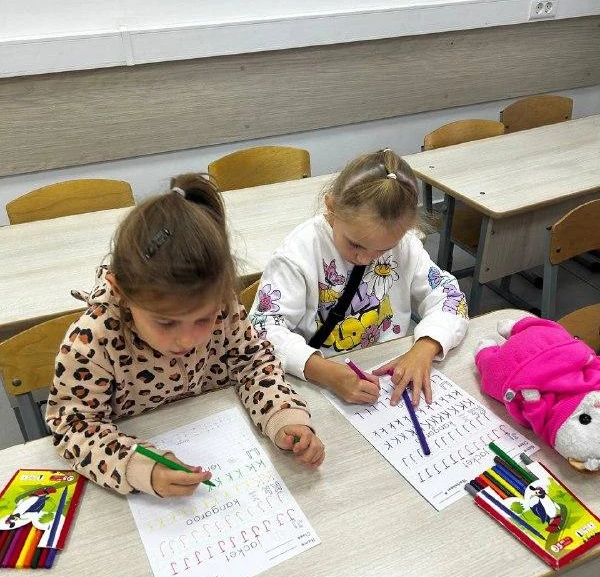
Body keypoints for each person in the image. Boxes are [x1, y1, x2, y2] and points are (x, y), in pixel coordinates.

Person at [46, 173, 324, 499]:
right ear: (121, 291)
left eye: (203, 319)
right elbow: (73, 426)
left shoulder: (222, 307)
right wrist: (140, 468)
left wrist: (283, 416)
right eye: (166, 323)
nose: (187, 340)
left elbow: (254, 363)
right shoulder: (92, 342)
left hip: (217, 432)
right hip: (137, 462)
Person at [249, 149, 468, 407]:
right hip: (318, 380)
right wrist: (326, 373)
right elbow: (261, 329)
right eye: (356, 244)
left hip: (387, 371)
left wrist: (426, 347)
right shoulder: (299, 253)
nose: (365, 259)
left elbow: (450, 297)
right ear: (332, 208)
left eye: (383, 250)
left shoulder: (405, 245)